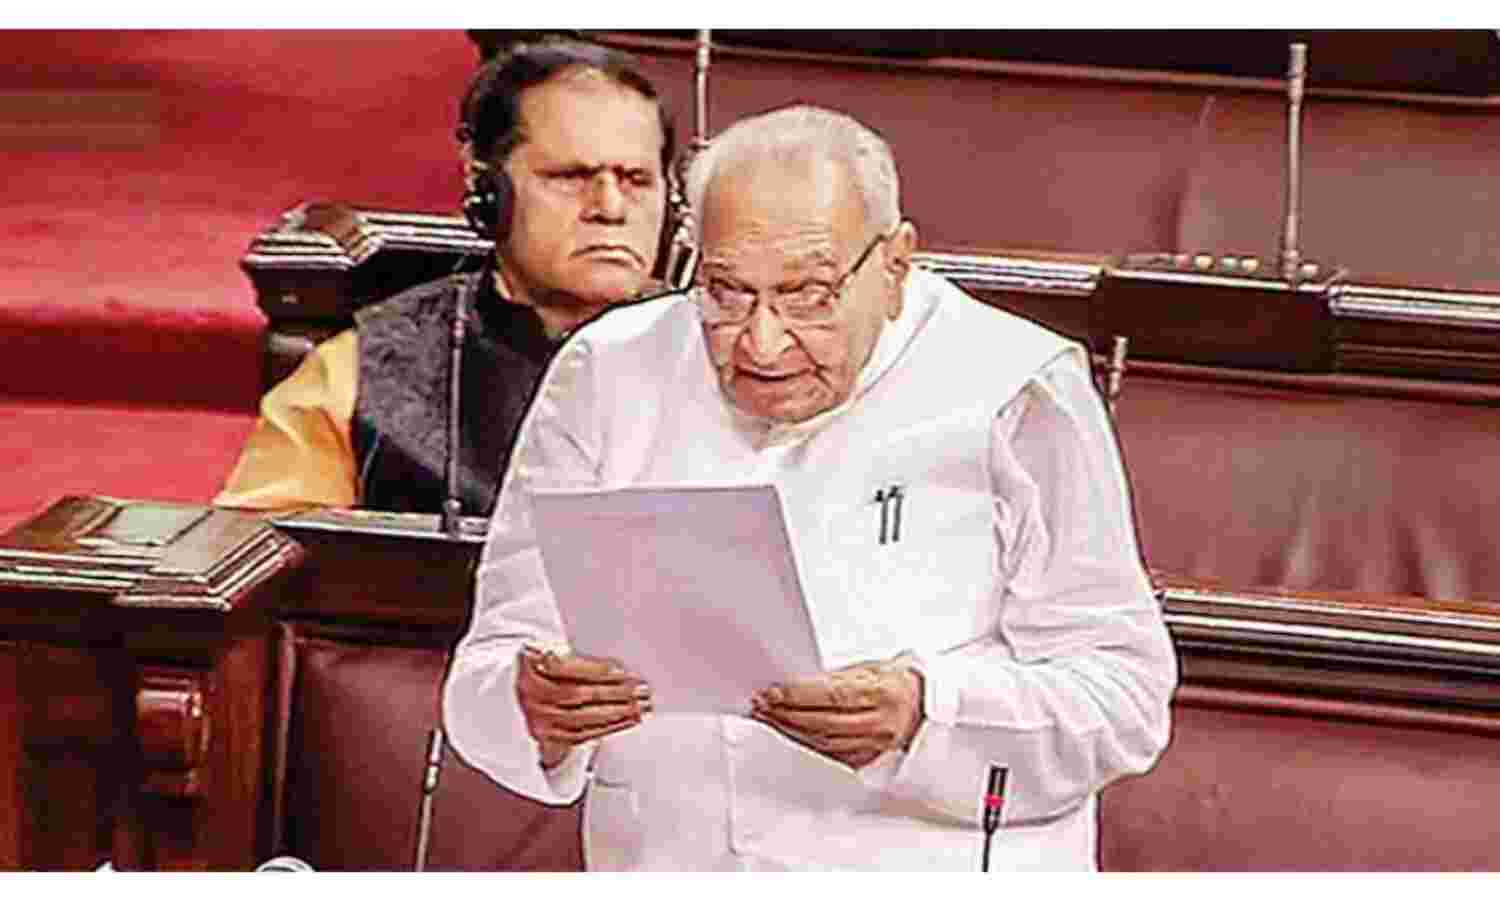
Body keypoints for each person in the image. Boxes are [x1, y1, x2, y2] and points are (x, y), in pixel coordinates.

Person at [442, 105, 1177, 870]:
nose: (762, 341)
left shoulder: (1014, 390)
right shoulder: (606, 374)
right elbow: (491, 664)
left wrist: (926, 712)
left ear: (894, 266)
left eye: (808, 296)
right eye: (726, 292)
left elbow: (1120, 700)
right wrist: (536, 708)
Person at [214, 39, 675, 515]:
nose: (610, 208)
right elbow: (268, 544)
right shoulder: (359, 375)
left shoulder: (714, 354)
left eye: (636, 179)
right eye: (570, 177)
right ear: (486, 190)